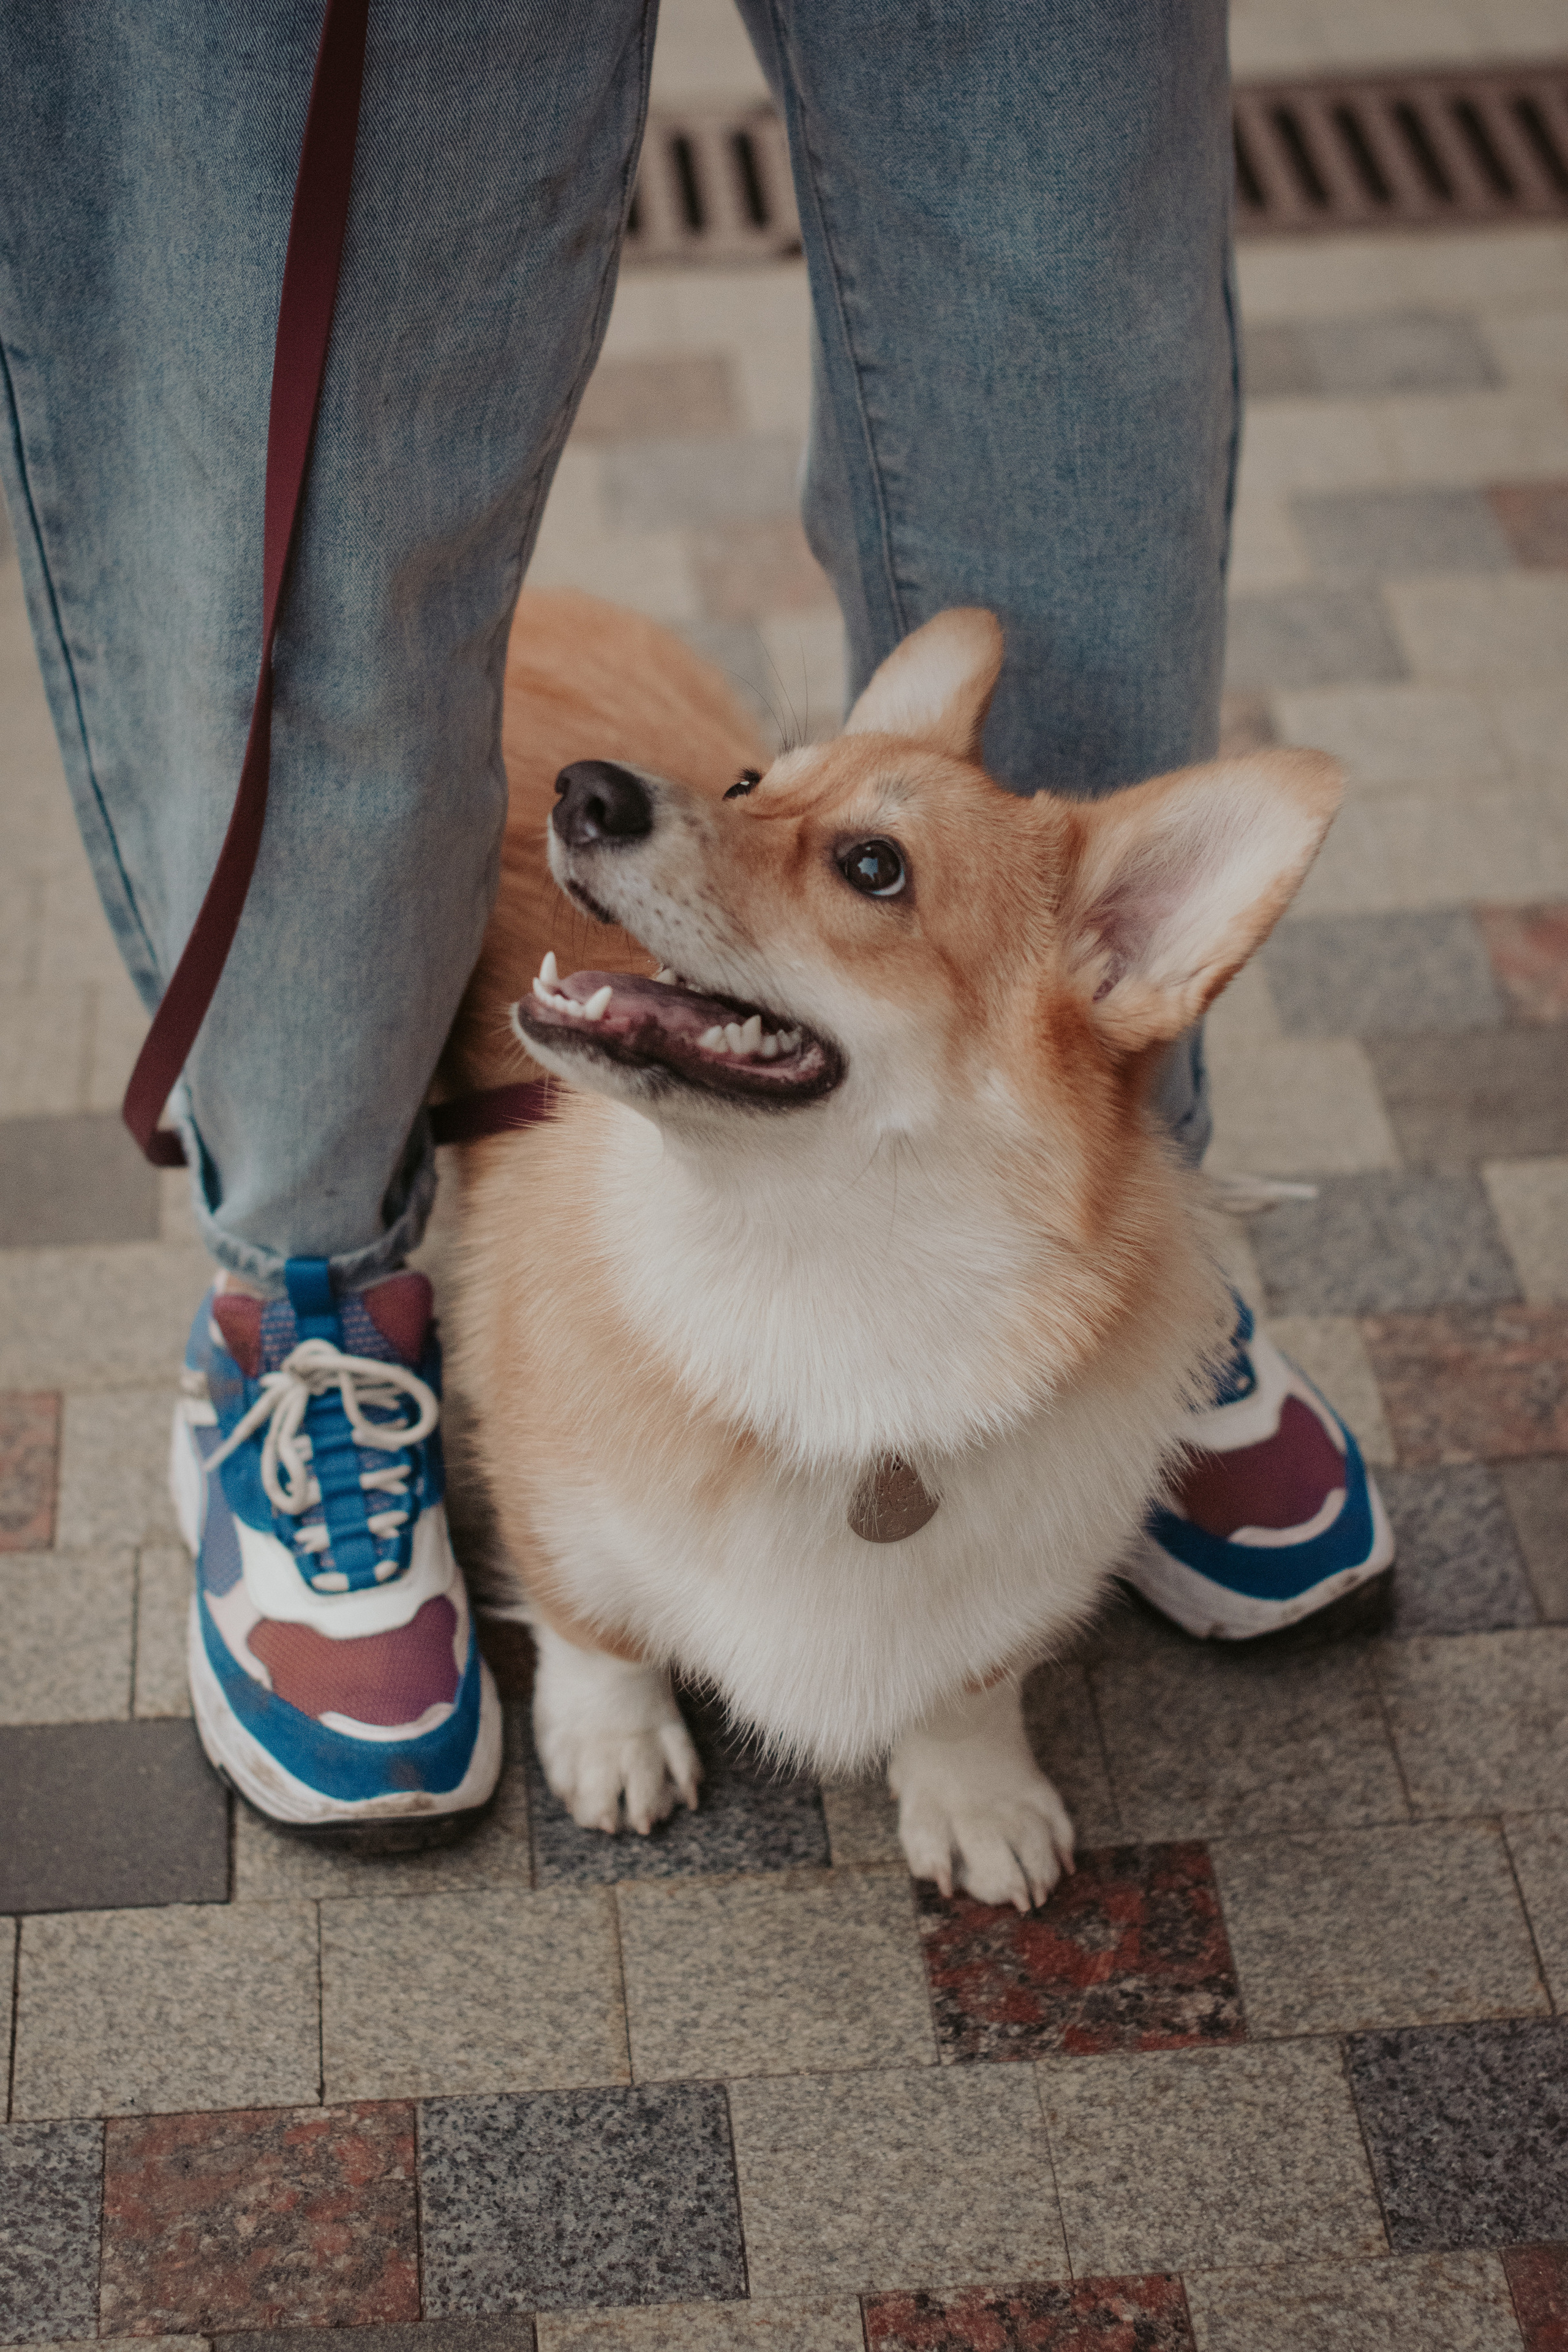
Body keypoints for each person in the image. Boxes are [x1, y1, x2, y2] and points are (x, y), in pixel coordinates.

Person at [0, 0, 1391, 1841]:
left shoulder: (1069, 950)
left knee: (1063, 290)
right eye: (784, 809)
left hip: (1003, 1145)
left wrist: (968, 1734)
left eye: (862, 866)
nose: (709, 833)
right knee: (298, 338)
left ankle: (1151, 1268)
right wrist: (599, 1654)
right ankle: (312, 1296)